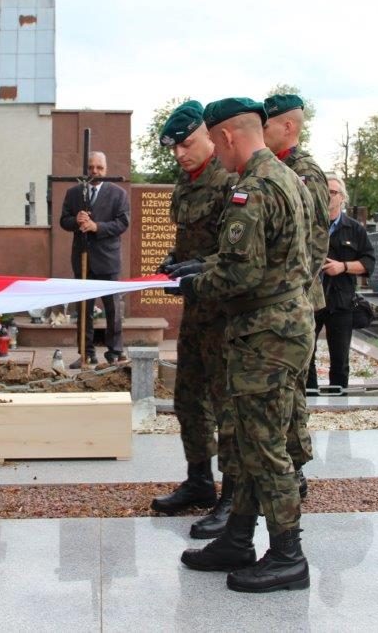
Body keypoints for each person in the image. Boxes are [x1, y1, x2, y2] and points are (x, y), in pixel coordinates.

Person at [176, 97, 315, 593]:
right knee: (250, 440)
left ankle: (288, 555)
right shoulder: (288, 178)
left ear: (228, 136)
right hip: (282, 324)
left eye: (214, 143)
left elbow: (241, 273)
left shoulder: (253, 189)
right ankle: (237, 538)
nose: (215, 153)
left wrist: (194, 283)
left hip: (266, 333)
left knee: (264, 445)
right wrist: (200, 265)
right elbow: (269, 255)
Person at [149, 100, 238, 539]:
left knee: (227, 404)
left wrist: (199, 267)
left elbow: (237, 252)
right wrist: (174, 261)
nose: (180, 154)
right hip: (196, 309)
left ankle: (234, 497)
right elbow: (189, 240)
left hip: (226, 311)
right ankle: (199, 479)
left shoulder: (232, 180)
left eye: (186, 144)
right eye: (174, 148)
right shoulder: (185, 183)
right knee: (188, 397)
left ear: (209, 136)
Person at [263, 93, 330, 499]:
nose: (261, 131)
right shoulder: (269, 168)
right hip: (276, 300)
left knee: (292, 390)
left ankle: (296, 467)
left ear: (288, 126)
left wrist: (292, 291)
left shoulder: (305, 172)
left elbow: (317, 242)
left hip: (297, 300)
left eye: (266, 124)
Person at [58, 151, 130, 368]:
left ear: (106, 169)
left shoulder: (118, 194)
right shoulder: (74, 193)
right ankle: (86, 353)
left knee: (113, 309)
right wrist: (76, 220)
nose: (95, 171)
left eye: (99, 167)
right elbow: (64, 220)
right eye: (91, 167)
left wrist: (96, 226)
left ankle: (115, 352)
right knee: (83, 309)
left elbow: (122, 223)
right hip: (82, 258)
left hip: (108, 259)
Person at [306, 176, 374, 394]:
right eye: (324, 191)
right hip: (311, 300)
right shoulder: (309, 225)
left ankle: (338, 401)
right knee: (306, 354)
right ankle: (310, 398)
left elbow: (368, 263)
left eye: (333, 192)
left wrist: (343, 266)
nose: (328, 196)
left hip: (341, 301)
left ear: (343, 198)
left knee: (340, 358)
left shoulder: (354, 229)